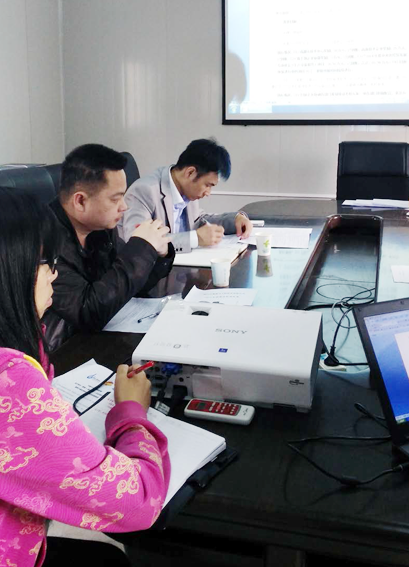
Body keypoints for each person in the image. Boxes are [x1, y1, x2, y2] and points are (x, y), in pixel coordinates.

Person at [0, 188, 170, 567]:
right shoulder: (9, 380)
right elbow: (138, 503)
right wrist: (131, 413)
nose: (54, 274)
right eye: (46, 262)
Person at [43, 144, 174, 350]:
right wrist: (141, 248)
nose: (124, 206)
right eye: (116, 199)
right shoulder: (44, 241)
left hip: (96, 339)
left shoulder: (99, 227)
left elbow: (125, 287)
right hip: (60, 352)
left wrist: (158, 254)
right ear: (80, 201)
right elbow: (87, 313)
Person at [118, 138, 253, 253]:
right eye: (207, 185)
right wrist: (195, 239)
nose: (208, 193)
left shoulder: (186, 189)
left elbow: (199, 221)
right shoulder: (145, 190)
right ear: (190, 173)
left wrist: (235, 220)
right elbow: (137, 242)